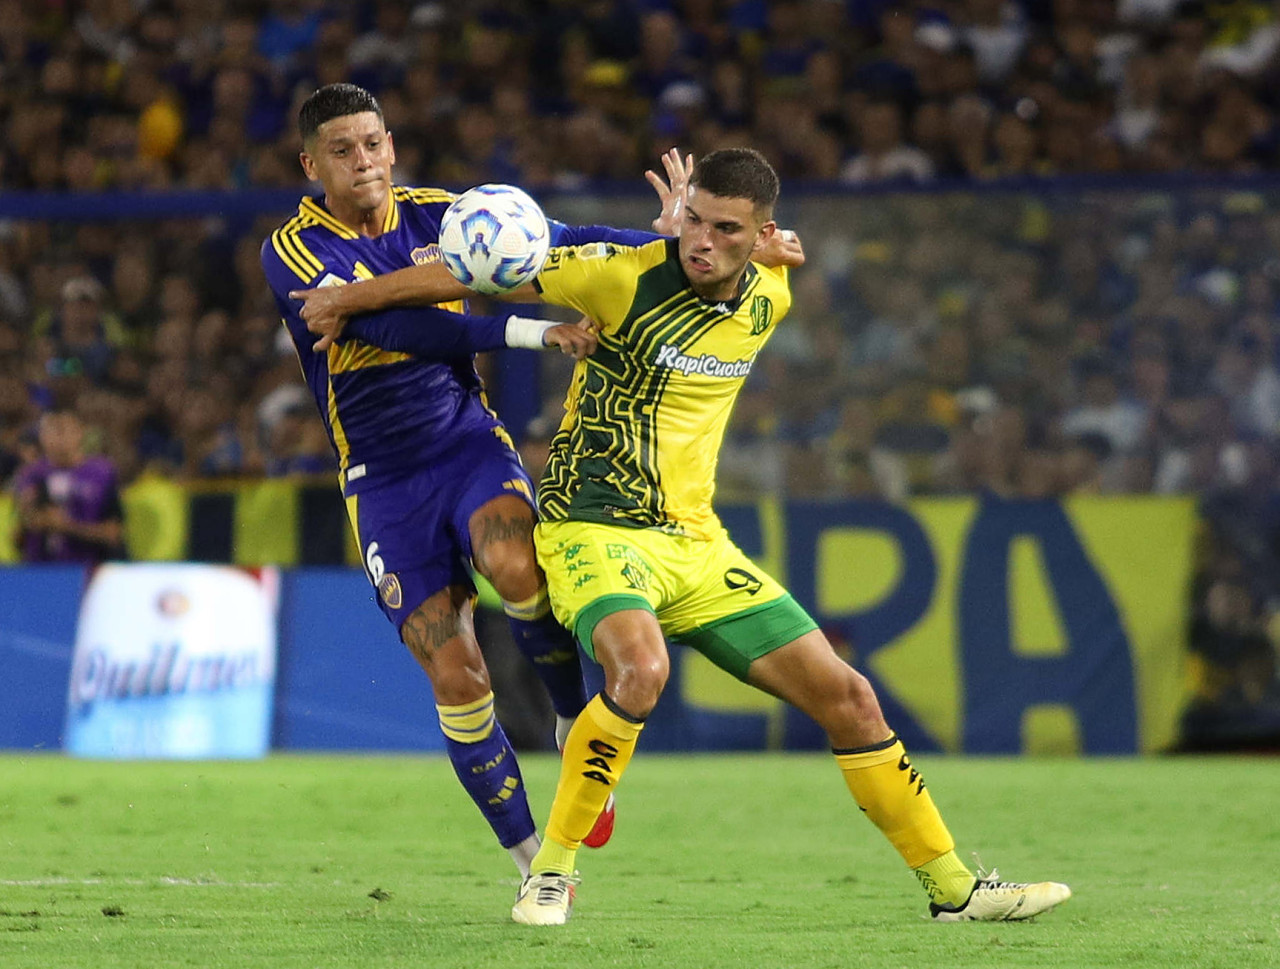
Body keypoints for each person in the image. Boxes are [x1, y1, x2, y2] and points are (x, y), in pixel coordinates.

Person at [294, 148, 1071, 927]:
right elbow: (477, 273)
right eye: (692, 219)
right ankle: (549, 876)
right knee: (640, 669)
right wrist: (351, 300)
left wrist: (766, 249)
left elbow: (763, 259)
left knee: (852, 697)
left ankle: (955, 891)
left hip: (697, 546)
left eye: (724, 228)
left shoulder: (772, 293)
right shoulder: (618, 274)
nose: (699, 239)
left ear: (759, 233)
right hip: (592, 530)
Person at [259, 84, 687, 879]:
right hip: (381, 479)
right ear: (310, 162)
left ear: (391, 144)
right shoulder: (289, 248)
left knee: (518, 568)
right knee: (458, 676)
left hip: (465, 441)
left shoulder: (444, 215)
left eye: (375, 144)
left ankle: (569, 723)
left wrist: (660, 244)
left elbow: (555, 241)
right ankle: (534, 862)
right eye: (344, 151)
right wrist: (527, 327)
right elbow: (399, 326)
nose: (365, 163)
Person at [13, 406, 125, 564]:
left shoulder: (102, 473)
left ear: (80, 432)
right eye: (49, 430)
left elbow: (114, 533)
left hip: (89, 570)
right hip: (38, 571)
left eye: (62, 430)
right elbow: (16, 535)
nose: (56, 438)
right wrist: (30, 520)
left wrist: (67, 526)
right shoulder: (30, 475)